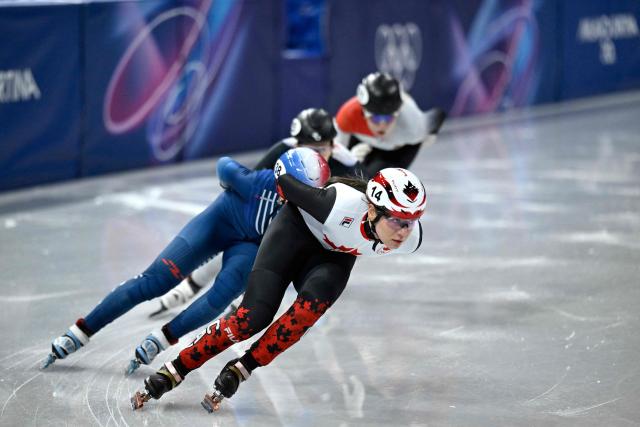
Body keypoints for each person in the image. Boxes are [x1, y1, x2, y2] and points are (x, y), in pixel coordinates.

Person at [131, 163, 427, 413]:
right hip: (293, 235)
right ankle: (178, 367)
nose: (404, 231)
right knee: (251, 319)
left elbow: (401, 230)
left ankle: (242, 368)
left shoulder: (410, 240)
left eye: (411, 222)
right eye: (397, 220)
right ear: (372, 210)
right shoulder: (337, 204)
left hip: (333, 256)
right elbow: (283, 178)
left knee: (306, 314)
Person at [41, 147, 331, 373]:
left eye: (312, 194)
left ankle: (163, 338)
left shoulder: (308, 213)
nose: (306, 200)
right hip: (219, 223)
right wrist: (226, 180)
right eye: (299, 192)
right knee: (156, 281)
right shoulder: (255, 183)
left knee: (222, 295)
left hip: (250, 246)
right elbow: (224, 165)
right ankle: (82, 330)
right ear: (282, 185)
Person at [147, 108, 359, 319]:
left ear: (335, 146)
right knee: (247, 238)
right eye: (307, 149)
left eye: (321, 149)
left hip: (317, 224)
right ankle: (193, 284)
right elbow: (250, 193)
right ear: (295, 145)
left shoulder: (348, 165)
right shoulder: (281, 152)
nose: (314, 156)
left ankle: (243, 291)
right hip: (284, 213)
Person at [334, 71, 447, 178]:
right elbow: (334, 156)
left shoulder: (413, 125)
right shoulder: (348, 115)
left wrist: (429, 135)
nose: (382, 124)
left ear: (397, 114)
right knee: (345, 175)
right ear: (363, 112)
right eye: (376, 118)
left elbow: (437, 116)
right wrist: (350, 159)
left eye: (388, 118)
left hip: (398, 148)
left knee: (373, 182)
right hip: (364, 140)